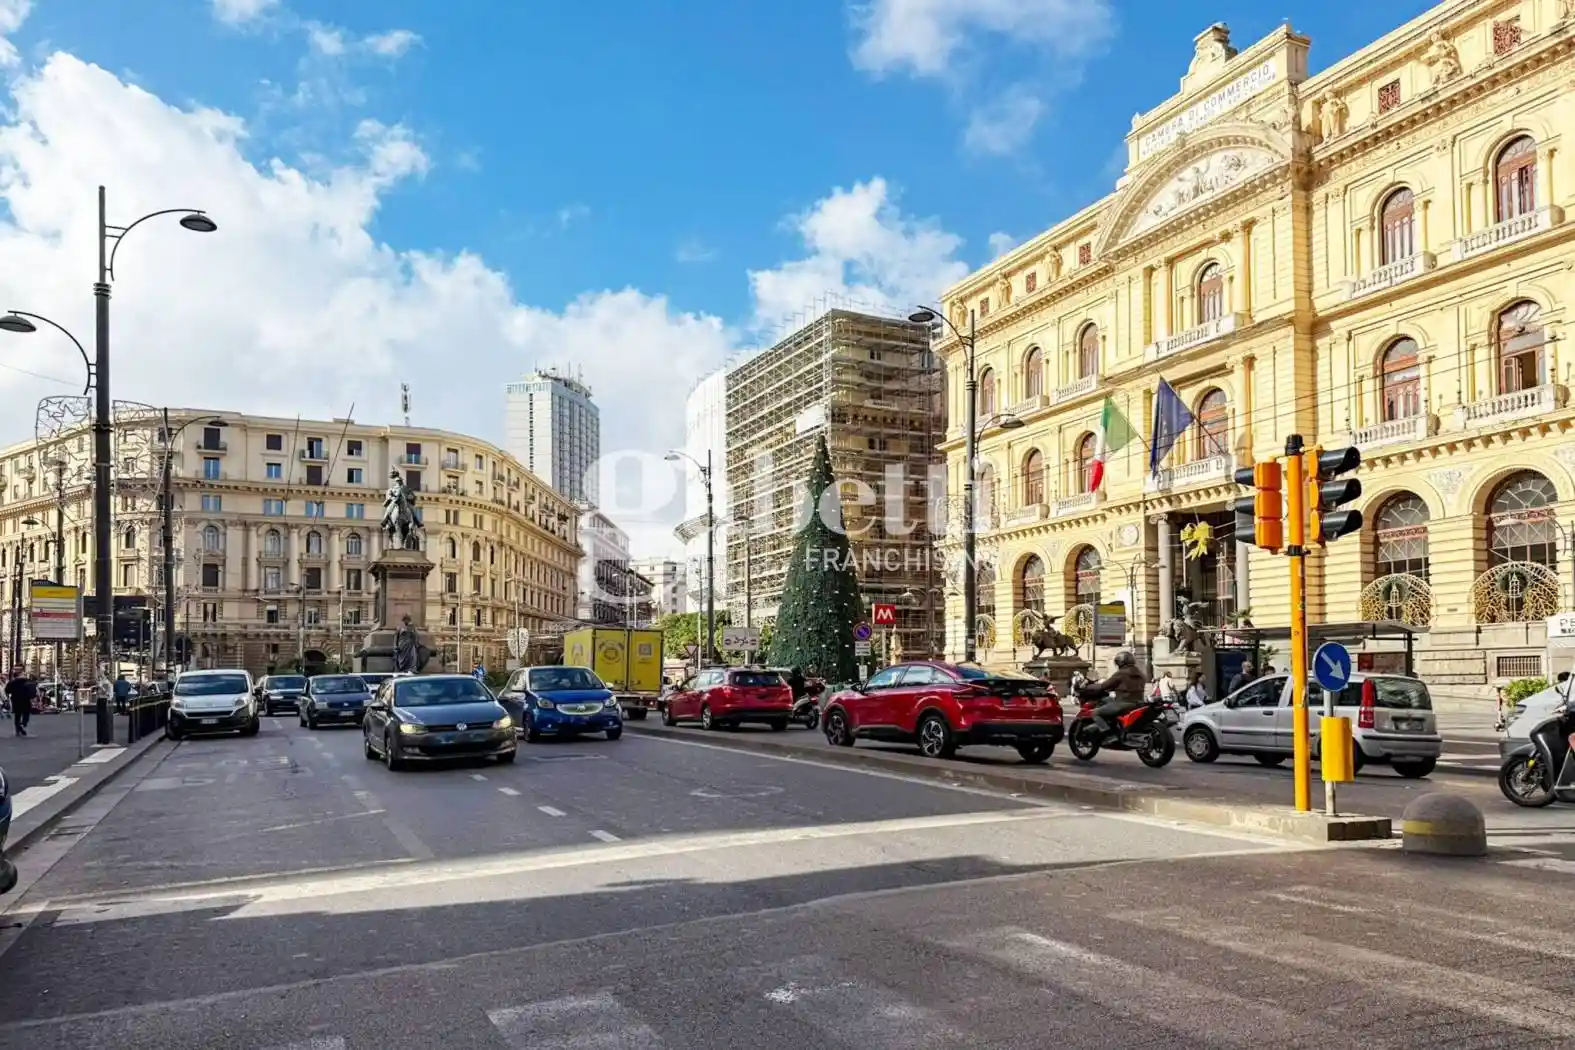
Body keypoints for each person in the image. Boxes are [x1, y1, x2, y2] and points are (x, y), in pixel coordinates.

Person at [1081, 651, 1147, 738]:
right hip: (1139, 703)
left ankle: (1108, 734)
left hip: (1123, 703)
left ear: (1119, 662)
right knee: (1108, 701)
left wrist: (1089, 687)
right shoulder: (1139, 672)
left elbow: (1104, 686)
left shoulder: (1121, 673)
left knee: (1096, 713)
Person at [5, 672, 36, 737]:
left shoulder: (12, 683)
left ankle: (18, 730)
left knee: (17, 716)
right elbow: (32, 690)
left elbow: (7, 690)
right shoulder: (27, 681)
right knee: (26, 714)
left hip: (16, 701)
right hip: (25, 700)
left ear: (14, 677)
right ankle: (23, 724)